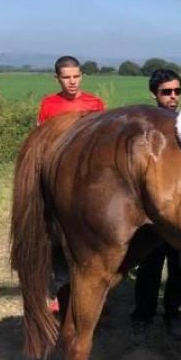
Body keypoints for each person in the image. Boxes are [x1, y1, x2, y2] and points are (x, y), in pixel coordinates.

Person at [36, 55, 106, 314]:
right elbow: (40, 142)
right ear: (57, 78)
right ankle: (61, 292)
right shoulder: (48, 105)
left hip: (87, 181)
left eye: (76, 76)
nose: (72, 82)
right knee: (57, 236)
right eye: (66, 77)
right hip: (57, 179)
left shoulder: (95, 104)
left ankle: (94, 293)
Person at [130, 69, 181, 340]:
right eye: (167, 92)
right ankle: (143, 316)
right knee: (149, 267)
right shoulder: (145, 128)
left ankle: (173, 314)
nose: (173, 97)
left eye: (177, 91)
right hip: (153, 212)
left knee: (179, 268)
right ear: (154, 94)